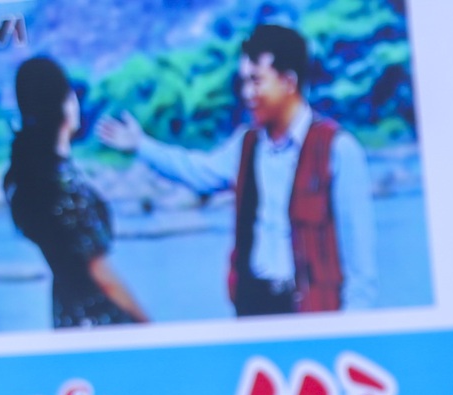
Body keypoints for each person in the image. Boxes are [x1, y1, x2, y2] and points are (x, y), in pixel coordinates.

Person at [96, 23, 377, 315]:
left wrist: (350, 329)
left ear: (288, 82)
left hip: (313, 310)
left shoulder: (338, 149)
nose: (247, 93)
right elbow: (198, 172)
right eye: (244, 82)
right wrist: (142, 146)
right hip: (256, 306)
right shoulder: (246, 144)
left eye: (256, 81)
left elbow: (360, 268)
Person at [3, 57, 147, 327]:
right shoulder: (66, 187)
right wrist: (149, 326)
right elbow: (101, 275)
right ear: (64, 105)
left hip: (64, 314)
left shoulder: (37, 181)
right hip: (99, 318)